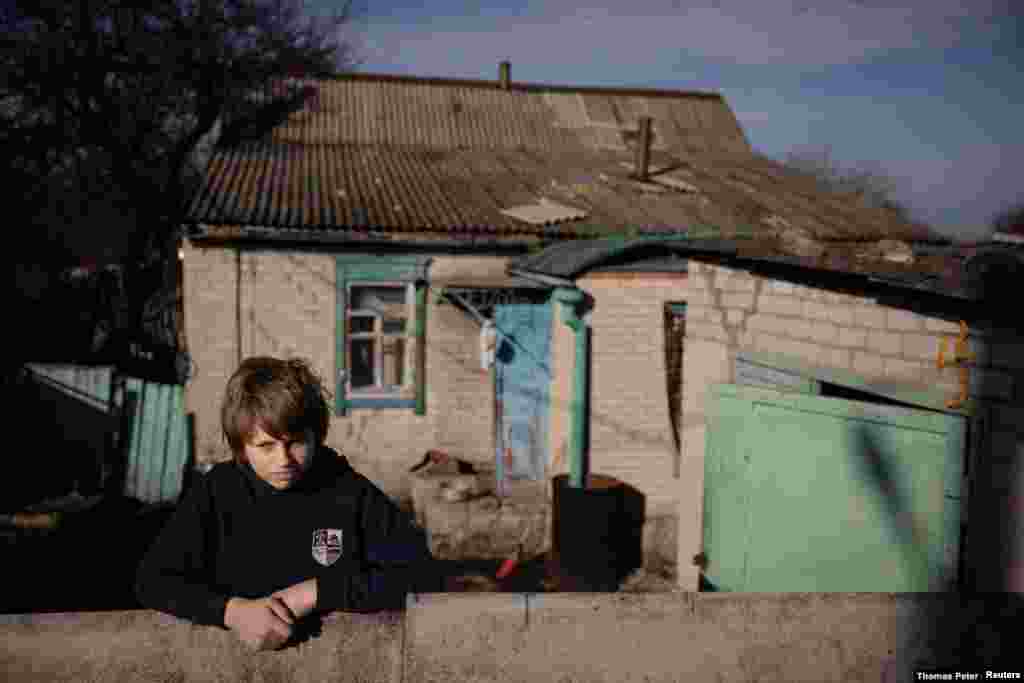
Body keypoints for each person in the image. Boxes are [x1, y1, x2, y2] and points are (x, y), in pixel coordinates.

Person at [135, 356, 437, 651]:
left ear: (315, 436)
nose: (283, 460)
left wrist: (316, 592)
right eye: (266, 446)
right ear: (241, 446)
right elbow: (153, 580)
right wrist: (231, 611)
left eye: (295, 442)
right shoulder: (218, 491)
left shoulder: (347, 490)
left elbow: (422, 574)